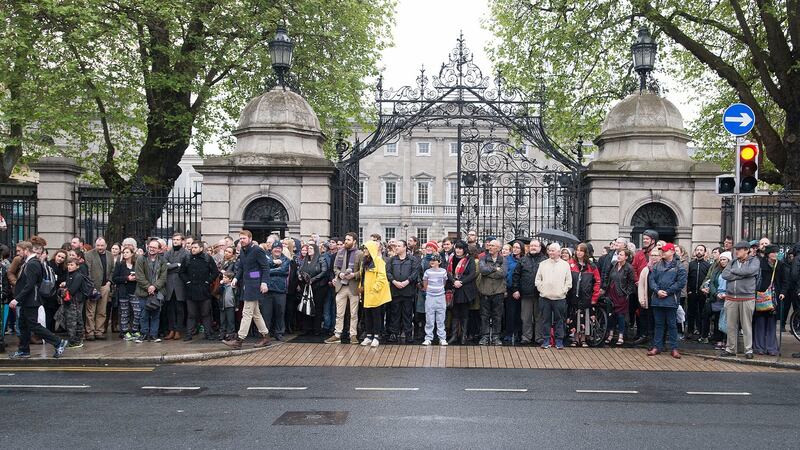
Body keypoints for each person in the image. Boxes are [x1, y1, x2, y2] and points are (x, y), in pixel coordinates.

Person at [9, 241, 68, 359]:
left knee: (34, 325)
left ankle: (58, 342)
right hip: (27, 300)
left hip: (31, 300)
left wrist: (17, 299)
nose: (17, 253)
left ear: (26, 250)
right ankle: (24, 350)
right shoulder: (29, 262)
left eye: (19, 251)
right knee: (23, 325)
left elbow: (30, 285)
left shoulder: (32, 264)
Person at [224, 230, 271, 349]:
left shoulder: (257, 250)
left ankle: (239, 340)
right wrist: (235, 278)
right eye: (240, 238)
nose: (242, 240)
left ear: (250, 238)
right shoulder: (243, 252)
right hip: (247, 285)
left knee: (247, 313)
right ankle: (266, 337)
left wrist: (264, 282)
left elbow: (265, 268)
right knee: (256, 314)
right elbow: (241, 268)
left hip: (254, 286)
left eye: (244, 238)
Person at [719, 241, 760, 358]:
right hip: (731, 298)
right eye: (736, 249)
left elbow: (750, 271)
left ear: (747, 250)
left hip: (747, 297)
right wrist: (741, 274)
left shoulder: (754, 261)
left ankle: (748, 350)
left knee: (747, 325)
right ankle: (731, 349)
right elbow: (725, 275)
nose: (737, 251)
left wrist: (734, 272)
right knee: (731, 325)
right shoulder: (732, 262)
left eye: (740, 249)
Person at [647, 243, 687, 359]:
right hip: (658, 298)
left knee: (672, 325)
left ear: (672, 252)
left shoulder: (679, 266)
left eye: (665, 251)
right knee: (658, 324)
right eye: (662, 251)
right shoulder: (657, 265)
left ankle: (674, 348)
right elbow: (652, 280)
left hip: (671, 299)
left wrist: (667, 292)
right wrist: (657, 290)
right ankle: (657, 346)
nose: (662, 253)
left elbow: (680, 283)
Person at [325, 232, 363, 344]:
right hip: (341, 286)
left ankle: (353, 335)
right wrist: (339, 274)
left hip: (353, 286)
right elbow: (335, 268)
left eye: (348, 239)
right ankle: (337, 334)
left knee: (353, 313)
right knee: (339, 313)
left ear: (354, 241)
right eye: (345, 239)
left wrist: (354, 275)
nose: (346, 241)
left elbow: (362, 271)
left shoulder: (359, 254)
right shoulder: (340, 252)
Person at [535, 243, 572, 349]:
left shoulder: (565, 265)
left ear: (559, 252)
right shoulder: (542, 264)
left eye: (553, 250)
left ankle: (559, 341)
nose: (551, 252)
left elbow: (568, 282)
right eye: (549, 250)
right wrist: (542, 290)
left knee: (560, 320)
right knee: (545, 320)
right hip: (545, 297)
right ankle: (546, 340)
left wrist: (563, 291)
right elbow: (538, 280)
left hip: (559, 298)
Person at [182, 241, 220, 341]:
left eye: (195, 247)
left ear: (201, 248)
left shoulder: (207, 258)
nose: (192, 249)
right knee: (191, 314)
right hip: (191, 290)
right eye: (192, 247)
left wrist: (208, 281)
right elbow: (181, 272)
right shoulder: (187, 258)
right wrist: (187, 282)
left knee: (206, 313)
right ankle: (189, 334)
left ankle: (208, 333)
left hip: (204, 290)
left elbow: (215, 272)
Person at [512, 239, 547, 345]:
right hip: (525, 293)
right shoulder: (523, 260)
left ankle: (539, 337)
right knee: (525, 317)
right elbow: (516, 275)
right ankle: (526, 337)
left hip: (540, 294)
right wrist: (515, 289)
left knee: (539, 317)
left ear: (540, 248)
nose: (533, 248)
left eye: (535, 246)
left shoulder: (545, 260)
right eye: (531, 246)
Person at [386, 239, 421, 344]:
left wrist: (407, 281)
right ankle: (394, 333)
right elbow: (388, 272)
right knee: (395, 313)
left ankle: (408, 333)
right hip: (395, 290)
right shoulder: (392, 260)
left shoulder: (412, 259)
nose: (396, 247)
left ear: (405, 247)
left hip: (408, 291)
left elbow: (415, 272)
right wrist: (394, 281)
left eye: (399, 246)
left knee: (407, 313)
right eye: (396, 246)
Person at [134, 239, 168, 343]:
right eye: (150, 247)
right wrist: (149, 287)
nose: (151, 249)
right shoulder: (141, 259)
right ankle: (144, 334)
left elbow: (163, 277)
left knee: (156, 314)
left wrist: (155, 287)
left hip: (157, 292)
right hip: (143, 291)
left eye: (154, 247)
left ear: (159, 249)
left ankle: (154, 334)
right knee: (144, 313)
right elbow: (139, 276)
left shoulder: (162, 260)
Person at [566, 243, 600, 347]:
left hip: (587, 296)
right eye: (577, 250)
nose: (578, 252)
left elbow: (597, 282)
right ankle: (575, 338)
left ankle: (584, 338)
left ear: (585, 253)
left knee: (586, 317)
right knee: (574, 316)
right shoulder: (570, 264)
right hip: (573, 296)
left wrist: (594, 297)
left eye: (581, 250)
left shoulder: (592, 266)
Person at [359, 240, 392, 347]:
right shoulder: (364, 261)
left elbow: (382, 277)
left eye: (366, 249)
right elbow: (362, 276)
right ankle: (369, 336)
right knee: (367, 315)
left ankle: (376, 336)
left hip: (375, 293)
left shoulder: (379, 261)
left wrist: (375, 288)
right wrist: (361, 287)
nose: (364, 250)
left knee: (376, 315)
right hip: (366, 293)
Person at [753, 245, 784, 356]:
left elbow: (785, 280)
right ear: (768, 254)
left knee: (771, 323)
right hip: (762, 296)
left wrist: (783, 292)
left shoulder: (780, 265)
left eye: (777, 252)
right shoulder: (761, 264)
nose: (776, 254)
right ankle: (759, 347)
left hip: (775, 298)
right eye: (773, 252)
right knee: (760, 323)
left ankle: (771, 348)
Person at [446, 240, 478, 345]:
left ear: (464, 249)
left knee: (464, 313)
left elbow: (472, 274)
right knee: (455, 313)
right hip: (453, 288)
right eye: (456, 248)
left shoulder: (469, 259)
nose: (458, 250)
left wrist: (461, 282)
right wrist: (454, 281)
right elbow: (448, 272)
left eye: (460, 248)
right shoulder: (451, 258)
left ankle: (463, 335)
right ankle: (455, 335)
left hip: (465, 289)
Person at [603, 247, 635, 346]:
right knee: (611, 315)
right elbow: (607, 276)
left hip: (621, 295)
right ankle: (611, 334)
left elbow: (631, 282)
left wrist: (627, 293)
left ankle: (621, 335)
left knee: (621, 316)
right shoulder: (613, 265)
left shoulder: (629, 268)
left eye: (621, 255)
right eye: (618, 254)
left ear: (626, 257)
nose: (619, 256)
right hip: (611, 293)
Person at [84, 237, 114, 340]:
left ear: (106, 245)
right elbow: (87, 271)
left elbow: (112, 270)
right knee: (91, 311)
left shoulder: (110, 255)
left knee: (102, 310)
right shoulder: (89, 255)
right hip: (92, 286)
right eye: (98, 245)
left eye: (102, 245)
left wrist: (109, 282)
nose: (100, 247)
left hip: (105, 286)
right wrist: (91, 286)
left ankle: (99, 331)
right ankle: (90, 331)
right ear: (95, 245)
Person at [632, 229, 659, 345]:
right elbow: (633, 268)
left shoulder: (657, 253)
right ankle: (643, 334)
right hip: (642, 286)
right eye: (644, 239)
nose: (645, 241)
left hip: (653, 287)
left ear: (653, 240)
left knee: (653, 313)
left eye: (647, 239)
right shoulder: (639, 254)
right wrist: (637, 280)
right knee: (641, 311)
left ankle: (653, 336)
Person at [478, 239, 507, 346]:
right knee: (484, 315)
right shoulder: (483, 258)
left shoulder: (503, 259)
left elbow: (503, 273)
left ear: (498, 248)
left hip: (498, 291)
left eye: (493, 246)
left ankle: (496, 336)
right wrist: (495, 268)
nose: (490, 247)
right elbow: (482, 270)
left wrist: (489, 270)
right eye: (489, 245)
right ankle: (485, 336)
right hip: (485, 291)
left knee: (497, 315)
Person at [163, 233, 189, 341]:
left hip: (180, 284)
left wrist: (172, 266)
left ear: (182, 241)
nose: (175, 241)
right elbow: (164, 266)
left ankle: (178, 330)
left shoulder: (186, 253)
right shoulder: (168, 253)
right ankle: (171, 330)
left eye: (177, 240)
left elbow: (184, 267)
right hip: (169, 284)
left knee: (180, 309)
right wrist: (176, 265)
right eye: (174, 240)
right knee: (170, 309)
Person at [300, 244, 330, 336]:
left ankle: (317, 329)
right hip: (306, 287)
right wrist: (300, 276)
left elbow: (324, 271)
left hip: (318, 287)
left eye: (311, 248)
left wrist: (312, 280)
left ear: (316, 250)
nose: (309, 250)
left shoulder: (321, 259)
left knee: (317, 308)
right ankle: (307, 328)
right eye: (308, 248)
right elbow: (300, 270)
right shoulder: (305, 260)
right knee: (306, 307)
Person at [62, 257, 92, 348]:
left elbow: (72, 290)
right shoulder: (70, 275)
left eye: (72, 265)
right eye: (68, 265)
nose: (69, 267)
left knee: (73, 321)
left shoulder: (78, 276)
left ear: (77, 266)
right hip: (72, 301)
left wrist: (64, 290)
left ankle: (75, 341)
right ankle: (76, 340)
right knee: (75, 320)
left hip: (75, 301)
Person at [263, 241, 290, 341]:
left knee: (280, 313)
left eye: (279, 248)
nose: (277, 250)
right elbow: (262, 268)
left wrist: (268, 271)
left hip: (280, 290)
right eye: (275, 248)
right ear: (272, 249)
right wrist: (274, 264)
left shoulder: (286, 259)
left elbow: (283, 270)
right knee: (266, 313)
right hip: (267, 290)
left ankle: (279, 333)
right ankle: (266, 334)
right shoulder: (266, 257)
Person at [703, 251, 730, 350]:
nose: (722, 261)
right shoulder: (716, 270)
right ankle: (718, 340)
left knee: (726, 320)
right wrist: (716, 293)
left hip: (727, 297)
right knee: (718, 319)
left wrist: (727, 294)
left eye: (724, 259)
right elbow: (712, 284)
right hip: (717, 297)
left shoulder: (732, 271)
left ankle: (726, 341)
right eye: (721, 259)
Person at [113, 246, 141, 341]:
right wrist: (126, 278)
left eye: (127, 252)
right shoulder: (120, 264)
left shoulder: (136, 264)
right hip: (123, 291)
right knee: (124, 313)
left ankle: (134, 330)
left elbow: (141, 275)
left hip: (134, 291)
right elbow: (115, 278)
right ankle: (124, 332)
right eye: (124, 252)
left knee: (137, 312)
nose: (125, 254)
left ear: (132, 254)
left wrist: (136, 277)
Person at [421, 252, 448, 346]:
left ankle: (442, 338)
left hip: (440, 297)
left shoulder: (443, 271)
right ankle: (428, 337)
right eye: (431, 260)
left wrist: (439, 290)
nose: (432, 262)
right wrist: (428, 290)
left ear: (439, 262)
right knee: (429, 318)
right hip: (430, 297)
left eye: (434, 260)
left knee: (441, 318)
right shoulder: (427, 272)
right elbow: (425, 282)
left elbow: (444, 282)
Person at [636, 247, 661, 346]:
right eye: (652, 255)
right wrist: (641, 299)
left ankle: (656, 341)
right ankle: (648, 338)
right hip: (648, 298)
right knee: (647, 320)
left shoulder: (662, 269)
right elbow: (641, 286)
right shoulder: (646, 270)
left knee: (657, 321)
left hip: (658, 299)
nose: (654, 257)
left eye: (656, 255)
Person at [687, 245, 711, 341]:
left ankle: (701, 331)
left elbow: (708, 279)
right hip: (692, 292)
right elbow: (687, 278)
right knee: (691, 312)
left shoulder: (707, 265)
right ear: (694, 252)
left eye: (701, 250)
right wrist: (688, 289)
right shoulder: (690, 264)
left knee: (702, 313)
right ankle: (690, 331)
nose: (699, 252)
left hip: (702, 293)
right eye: (697, 250)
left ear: (704, 252)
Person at [503, 241, 522, 344]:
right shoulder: (507, 259)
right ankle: (509, 333)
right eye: (514, 247)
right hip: (510, 289)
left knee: (520, 313)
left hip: (522, 289)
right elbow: (505, 274)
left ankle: (518, 333)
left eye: (518, 248)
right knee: (510, 313)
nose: (515, 249)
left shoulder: (523, 259)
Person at [218, 271, 237, 341]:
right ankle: (222, 333)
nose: (223, 279)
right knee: (222, 320)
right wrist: (221, 285)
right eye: (223, 277)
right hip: (223, 306)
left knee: (230, 321)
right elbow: (218, 292)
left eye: (225, 277)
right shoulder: (223, 287)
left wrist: (236, 306)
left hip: (231, 306)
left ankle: (230, 334)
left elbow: (236, 296)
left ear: (230, 279)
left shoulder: (233, 287)